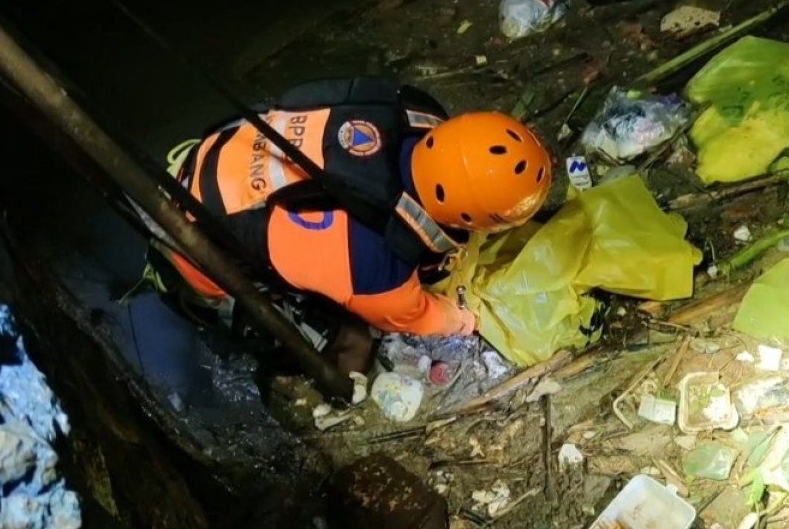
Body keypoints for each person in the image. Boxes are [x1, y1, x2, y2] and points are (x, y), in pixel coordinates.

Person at [140, 75, 553, 389]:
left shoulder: (406, 109)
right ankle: (210, 309)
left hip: (207, 161)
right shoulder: (376, 263)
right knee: (355, 347)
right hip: (197, 250)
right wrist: (463, 319)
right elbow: (413, 315)